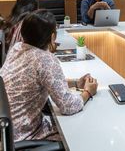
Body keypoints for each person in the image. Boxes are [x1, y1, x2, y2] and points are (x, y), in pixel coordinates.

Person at [0, 9, 98, 142]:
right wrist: (88, 92)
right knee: (83, 131)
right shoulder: (45, 59)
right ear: (52, 37)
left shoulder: (17, 48)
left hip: (7, 128)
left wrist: (75, 83)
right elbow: (68, 106)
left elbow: (38, 79)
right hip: (23, 133)